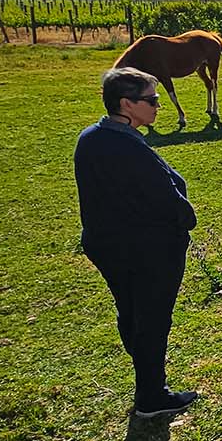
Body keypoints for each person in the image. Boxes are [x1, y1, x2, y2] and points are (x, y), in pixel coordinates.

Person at [74, 67, 199, 418]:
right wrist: (184, 222)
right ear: (127, 104)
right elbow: (165, 194)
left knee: (131, 312)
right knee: (153, 318)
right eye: (152, 100)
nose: (158, 106)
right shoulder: (126, 147)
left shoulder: (91, 138)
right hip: (147, 250)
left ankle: (146, 378)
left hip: (109, 247)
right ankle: (152, 395)